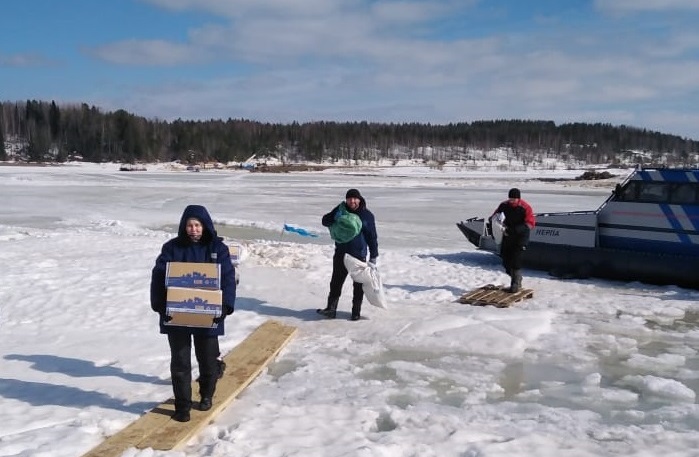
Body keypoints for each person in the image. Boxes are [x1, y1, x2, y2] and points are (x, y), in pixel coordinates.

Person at [150, 205, 236, 422]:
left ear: (205, 225)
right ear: (183, 226)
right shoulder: (171, 248)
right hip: (177, 315)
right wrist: (159, 304)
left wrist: (224, 306)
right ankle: (182, 406)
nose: (194, 229)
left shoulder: (218, 248)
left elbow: (227, 278)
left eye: (197, 225)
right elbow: (159, 276)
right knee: (180, 362)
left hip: (208, 315)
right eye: (189, 225)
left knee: (207, 360)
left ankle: (206, 394)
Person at [318, 188, 379, 321]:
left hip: (358, 256)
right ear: (346, 200)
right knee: (336, 282)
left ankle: (355, 312)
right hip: (341, 253)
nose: (352, 201)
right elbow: (325, 221)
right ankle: (331, 309)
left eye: (354, 198)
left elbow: (372, 237)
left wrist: (373, 255)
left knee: (358, 285)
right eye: (349, 198)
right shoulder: (340, 210)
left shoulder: (366, 215)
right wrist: (335, 217)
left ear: (359, 199)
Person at [490, 188, 535, 293]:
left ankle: (515, 284)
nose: (511, 201)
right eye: (510, 198)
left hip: (520, 237)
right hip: (507, 235)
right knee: (506, 261)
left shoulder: (525, 207)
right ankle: (516, 277)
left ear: (518, 199)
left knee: (516, 260)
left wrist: (516, 229)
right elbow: (495, 216)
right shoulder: (504, 205)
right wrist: (493, 226)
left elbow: (530, 223)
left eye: (514, 199)